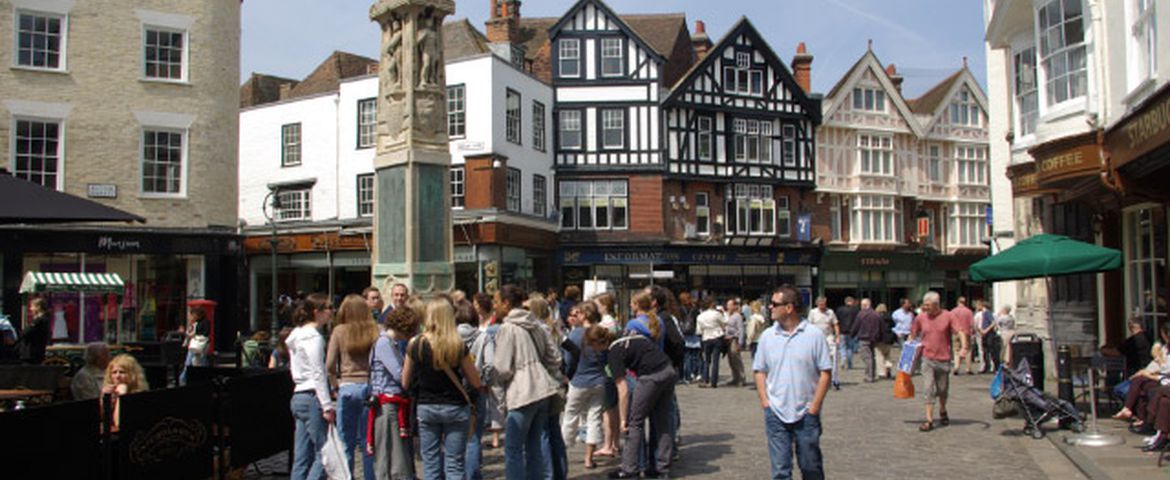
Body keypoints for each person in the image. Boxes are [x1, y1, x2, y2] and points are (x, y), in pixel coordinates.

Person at [753, 285, 832, 480]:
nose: (770, 307)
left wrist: (814, 407)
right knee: (780, 470)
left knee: (810, 467)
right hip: (776, 411)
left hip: (806, 412)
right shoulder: (767, 337)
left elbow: (825, 372)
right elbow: (759, 371)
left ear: (789, 308)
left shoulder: (813, 335)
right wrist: (766, 403)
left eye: (774, 304)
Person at [402, 299, 484, 480]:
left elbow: (405, 381)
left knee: (430, 463)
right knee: (454, 464)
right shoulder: (457, 344)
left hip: (426, 406)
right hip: (455, 406)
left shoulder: (415, 344)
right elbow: (475, 380)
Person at [589, 323, 677, 479]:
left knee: (634, 423)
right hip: (667, 370)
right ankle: (661, 468)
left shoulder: (614, 352)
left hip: (651, 377)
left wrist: (623, 419)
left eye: (592, 346)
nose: (593, 350)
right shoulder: (629, 335)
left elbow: (622, 389)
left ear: (598, 343)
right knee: (662, 421)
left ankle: (630, 469)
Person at [493, 285, 561, 480]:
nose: (494, 306)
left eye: (497, 302)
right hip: (543, 389)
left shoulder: (508, 328)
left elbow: (503, 368)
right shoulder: (537, 325)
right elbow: (555, 358)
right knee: (534, 447)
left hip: (522, 392)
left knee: (513, 449)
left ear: (506, 304)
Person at [326, 294, 379, 480]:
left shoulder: (339, 331)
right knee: (368, 441)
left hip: (346, 387)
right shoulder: (374, 330)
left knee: (345, 441)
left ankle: (345, 476)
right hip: (368, 386)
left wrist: (335, 385)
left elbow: (330, 365)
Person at [287, 294, 337, 480]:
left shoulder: (297, 334)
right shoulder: (314, 337)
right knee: (325, 454)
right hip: (311, 396)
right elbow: (318, 373)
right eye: (329, 308)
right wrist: (327, 405)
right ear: (317, 312)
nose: (332, 312)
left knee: (301, 456)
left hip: (298, 394)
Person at [367, 306, 417, 480]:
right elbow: (398, 373)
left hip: (392, 403)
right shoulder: (384, 343)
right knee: (390, 455)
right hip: (388, 403)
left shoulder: (390, 343)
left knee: (395, 454)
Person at [910, 291, 967, 432]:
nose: (925, 307)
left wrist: (964, 347)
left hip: (944, 359)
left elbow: (960, 331)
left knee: (942, 390)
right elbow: (913, 333)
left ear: (936, 304)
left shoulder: (948, 316)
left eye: (928, 305)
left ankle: (942, 409)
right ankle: (929, 420)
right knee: (928, 388)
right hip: (927, 358)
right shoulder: (921, 317)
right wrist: (909, 348)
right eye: (924, 305)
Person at [561, 302, 607, 469]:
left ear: (584, 315)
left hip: (579, 380)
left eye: (578, 313)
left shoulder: (575, 335)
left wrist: (567, 374)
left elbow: (568, 360)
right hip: (598, 380)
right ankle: (589, 458)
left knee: (570, 417)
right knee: (594, 419)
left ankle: (562, 454)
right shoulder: (601, 332)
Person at [101, 353, 150, 432]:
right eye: (114, 372)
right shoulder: (110, 392)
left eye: (122, 372)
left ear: (132, 375)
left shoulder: (139, 394)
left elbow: (119, 423)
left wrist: (121, 397)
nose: (117, 376)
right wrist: (104, 398)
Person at [807, 297, 840, 390]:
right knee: (816, 358)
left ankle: (834, 379)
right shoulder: (813, 312)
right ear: (817, 304)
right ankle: (818, 379)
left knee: (833, 358)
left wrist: (837, 336)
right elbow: (809, 325)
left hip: (828, 336)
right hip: (816, 337)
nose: (822, 306)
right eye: (820, 304)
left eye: (824, 304)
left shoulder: (830, 312)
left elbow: (836, 324)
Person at [851, 299, 882, 383]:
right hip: (874, 338)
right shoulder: (877, 314)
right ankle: (872, 374)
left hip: (864, 337)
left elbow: (856, 326)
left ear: (864, 305)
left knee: (867, 357)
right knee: (871, 356)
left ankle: (869, 376)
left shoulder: (861, 314)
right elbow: (881, 326)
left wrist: (852, 334)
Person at [696, 298, 725, 388]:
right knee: (715, 360)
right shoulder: (717, 314)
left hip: (706, 337)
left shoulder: (700, 316)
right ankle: (713, 382)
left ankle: (705, 379)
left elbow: (698, 331)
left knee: (706, 360)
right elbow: (723, 323)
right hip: (717, 336)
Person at [180, 307, 212, 385]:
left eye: (192, 315)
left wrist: (185, 332)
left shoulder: (203, 323)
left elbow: (199, 334)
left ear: (197, 314)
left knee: (190, 363)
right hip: (196, 346)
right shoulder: (195, 323)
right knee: (199, 362)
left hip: (198, 346)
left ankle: (182, 379)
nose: (191, 317)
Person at [678, 292, 702, 383]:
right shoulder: (695, 309)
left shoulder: (680, 309)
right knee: (696, 355)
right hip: (694, 333)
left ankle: (688, 375)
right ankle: (697, 373)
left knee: (687, 356)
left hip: (684, 334)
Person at [19, 298, 51, 364]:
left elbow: (26, 333)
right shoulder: (42, 319)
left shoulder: (39, 320)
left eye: (32, 306)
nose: (30, 309)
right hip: (36, 353)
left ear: (38, 307)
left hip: (32, 353)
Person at [950, 297, 975, 376]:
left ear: (958, 302)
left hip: (955, 332)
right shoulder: (969, 312)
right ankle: (968, 368)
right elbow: (972, 323)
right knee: (967, 350)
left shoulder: (953, 311)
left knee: (956, 350)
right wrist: (972, 331)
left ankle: (956, 367)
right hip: (966, 331)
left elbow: (950, 322)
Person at [724, 299, 747, 387]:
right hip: (728, 339)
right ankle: (735, 377)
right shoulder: (729, 315)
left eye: (729, 305)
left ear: (734, 306)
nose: (727, 307)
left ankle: (741, 378)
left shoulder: (737, 316)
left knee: (736, 359)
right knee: (731, 360)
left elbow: (741, 330)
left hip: (735, 339)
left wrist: (740, 343)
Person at [834, 297, 859, 370]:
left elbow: (836, 321)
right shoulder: (855, 310)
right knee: (850, 348)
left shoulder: (840, 309)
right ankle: (850, 364)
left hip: (842, 331)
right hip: (852, 332)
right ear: (852, 302)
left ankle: (843, 358)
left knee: (842, 347)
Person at [975, 301, 1000, 373]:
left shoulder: (987, 313)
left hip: (989, 334)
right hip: (984, 334)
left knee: (990, 351)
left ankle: (992, 367)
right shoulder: (983, 313)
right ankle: (987, 366)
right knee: (985, 351)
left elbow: (993, 322)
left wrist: (986, 330)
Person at [874, 304, 896, 380]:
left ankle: (881, 373)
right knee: (888, 355)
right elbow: (893, 325)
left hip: (880, 339)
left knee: (879, 356)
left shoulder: (877, 317)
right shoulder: (889, 317)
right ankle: (888, 368)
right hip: (889, 339)